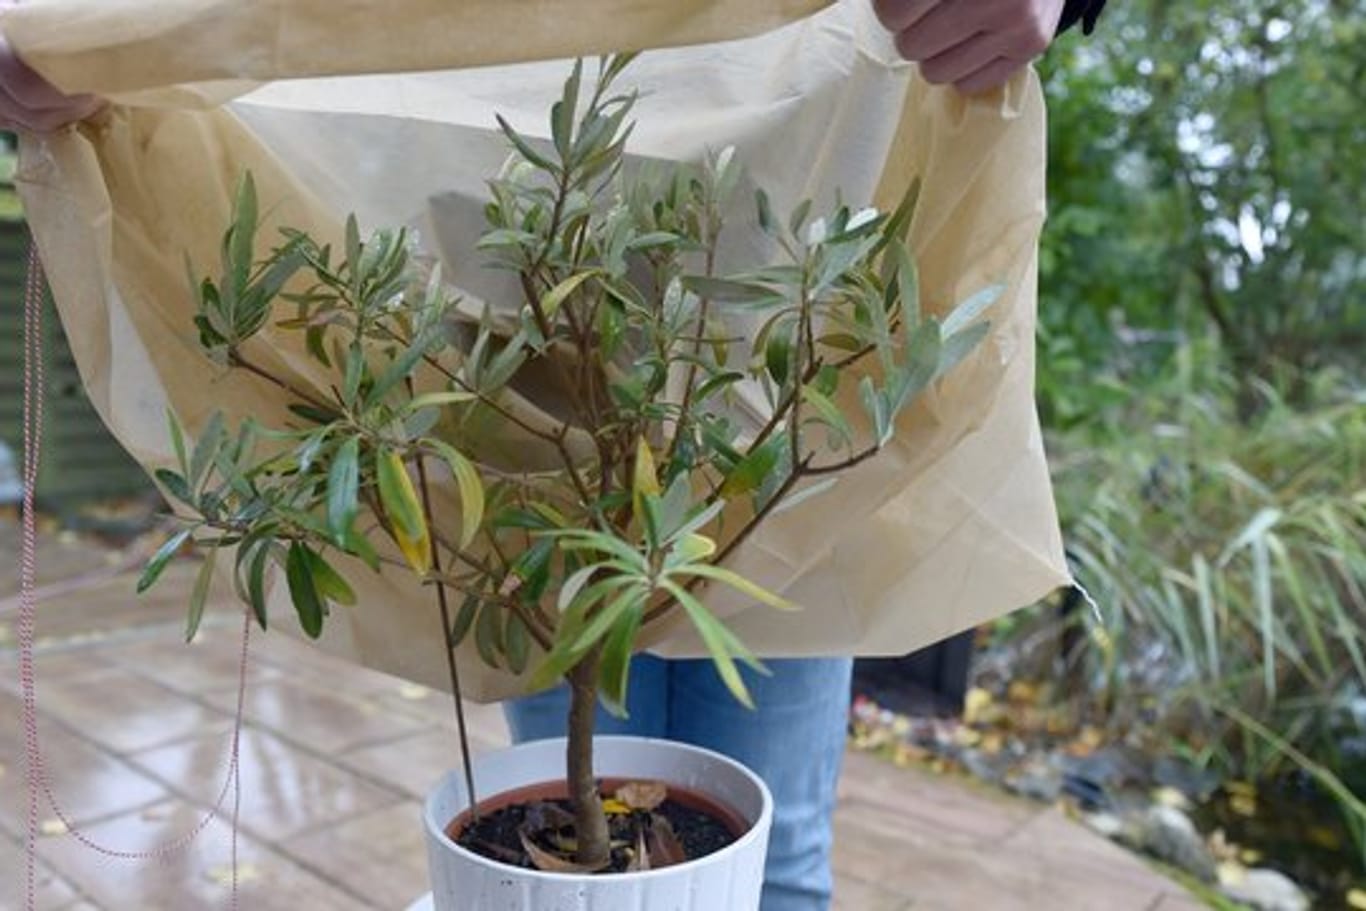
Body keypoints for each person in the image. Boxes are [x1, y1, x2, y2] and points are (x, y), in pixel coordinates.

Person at [0, 2, 1105, 909]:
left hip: (782, 389)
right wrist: (79, 27)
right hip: (506, 372)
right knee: (578, 803)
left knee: (780, 859)